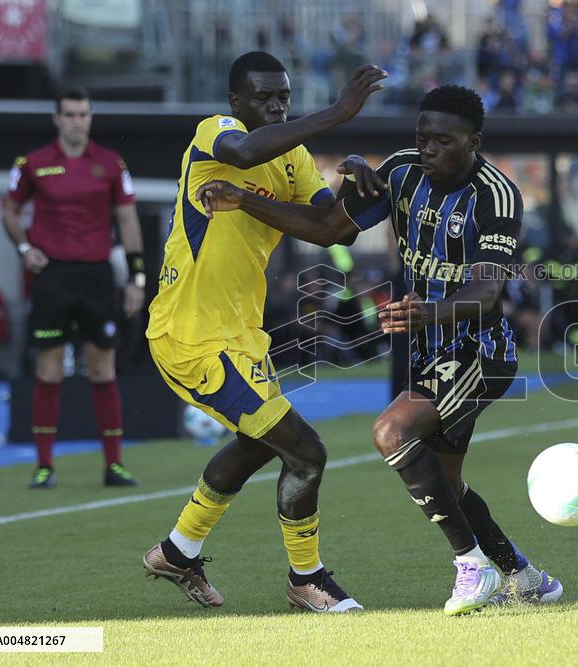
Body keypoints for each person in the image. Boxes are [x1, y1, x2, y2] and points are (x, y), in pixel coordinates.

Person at [194, 85, 563, 616]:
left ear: (473, 141)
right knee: (449, 486)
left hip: (479, 349)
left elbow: (487, 291)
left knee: (391, 431)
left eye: (443, 140)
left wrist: (427, 313)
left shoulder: (496, 196)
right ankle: (524, 576)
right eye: (422, 137)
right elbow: (327, 229)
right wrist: (246, 198)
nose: (428, 148)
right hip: (427, 348)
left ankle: (473, 567)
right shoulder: (399, 171)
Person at [141, 51, 388, 612]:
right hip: (191, 334)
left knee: (260, 442)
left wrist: (355, 176)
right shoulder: (217, 133)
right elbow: (245, 151)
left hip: (243, 336)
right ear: (236, 102)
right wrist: (338, 113)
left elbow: (331, 230)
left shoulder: (294, 157)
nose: (276, 106)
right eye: (264, 97)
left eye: (283, 97)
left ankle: (178, 551)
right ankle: (308, 579)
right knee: (307, 451)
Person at [3, 87, 145, 489]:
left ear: (91, 117)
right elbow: (11, 212)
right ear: (57, 118)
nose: (77, 121)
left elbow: (129, 221)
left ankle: (114, 465)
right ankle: (44, 466)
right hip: (53, 277)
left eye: (83, 114)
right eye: (69, 114)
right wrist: (24, 248)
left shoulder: (110, 164)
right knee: (49, 370)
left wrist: (136, 277)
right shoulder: (32, 164)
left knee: (103, 369)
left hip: (97, 276)